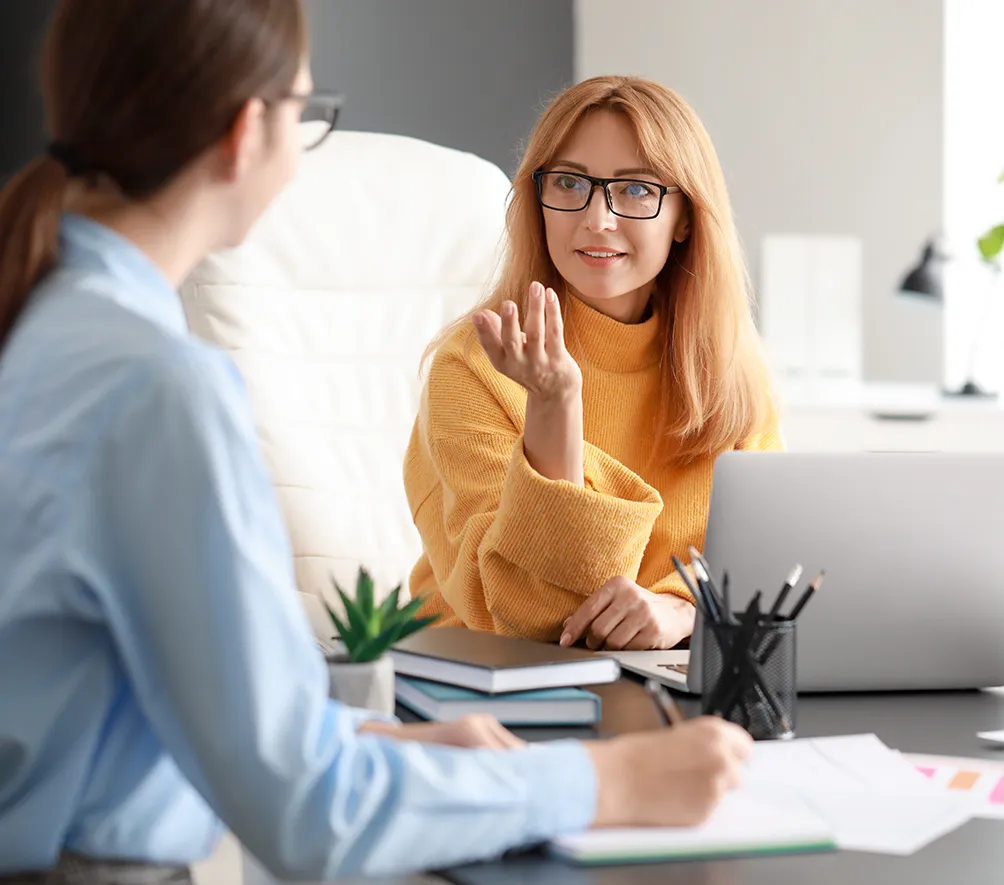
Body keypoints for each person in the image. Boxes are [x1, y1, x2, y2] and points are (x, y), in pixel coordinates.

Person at [0, 4, 753, 882]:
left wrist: (381, 739)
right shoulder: (160, 391)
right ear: (248, 134)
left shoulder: (49, 329)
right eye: (307, 116)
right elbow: (312, 814)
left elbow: (198, 699)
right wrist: (603, 779)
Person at [405, 75, 782, 651]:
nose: (597, 219)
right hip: (492, 690)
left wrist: (683, 613)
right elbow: (537, 620)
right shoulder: (472, 369)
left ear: (685, 218)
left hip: (668, 682)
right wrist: (555, 405)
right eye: (570, 182)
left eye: (635, 190)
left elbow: (768, 569)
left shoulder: (732, 375)